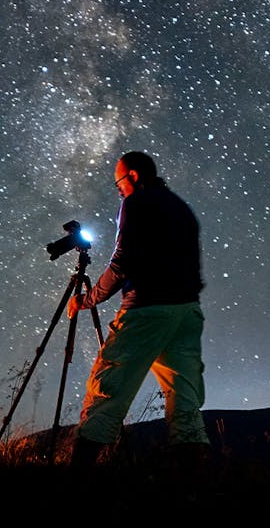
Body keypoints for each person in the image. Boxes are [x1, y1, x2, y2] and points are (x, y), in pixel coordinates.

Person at [67, 151, 211, 470]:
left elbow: (121, 264)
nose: (118, 189)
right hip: (187, 314)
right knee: (185, 398)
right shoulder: (182, 208)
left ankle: (76, 481)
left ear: (132, 176)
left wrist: (87, 299)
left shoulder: (136, 203)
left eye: (119, 181)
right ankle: (195, 483)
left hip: (147, 311)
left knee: (107, 389)